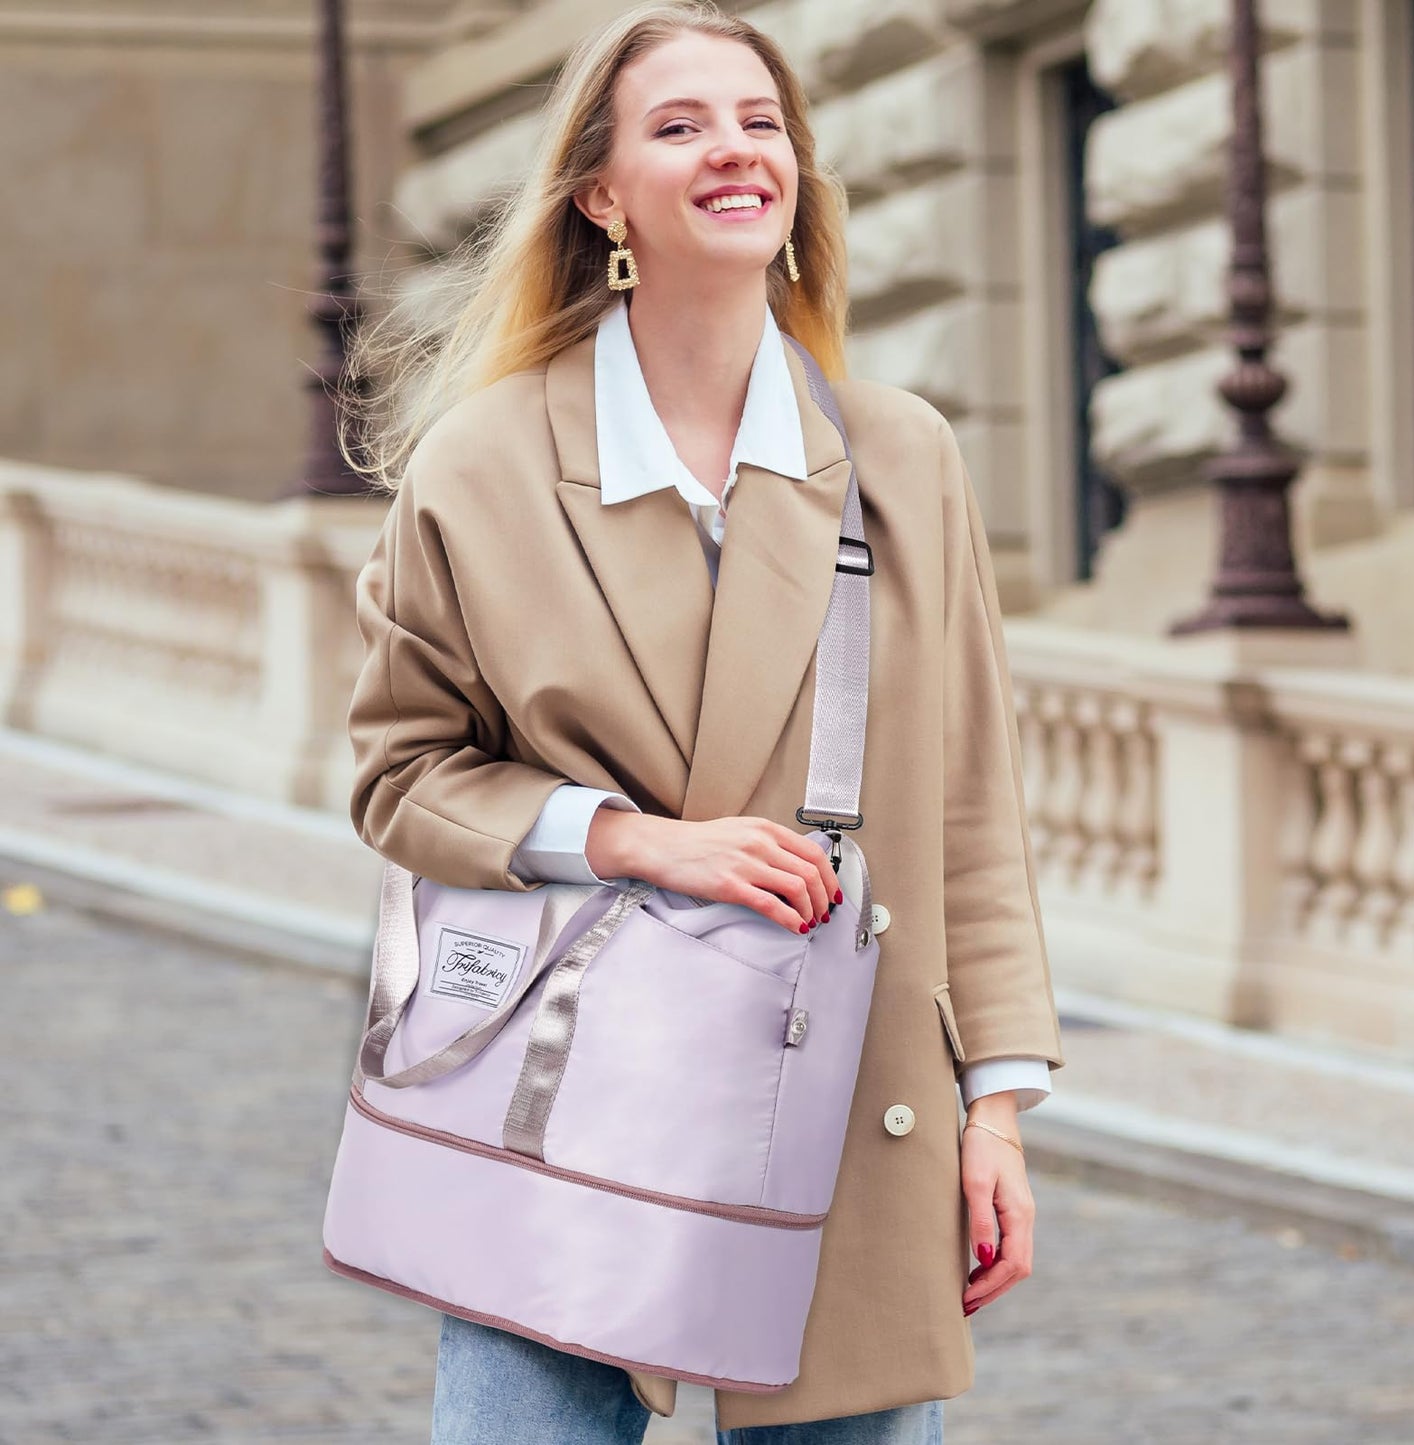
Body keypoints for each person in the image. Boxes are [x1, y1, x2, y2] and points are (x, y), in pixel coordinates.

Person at [342, 2, 1065, 1441]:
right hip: (563, 1084)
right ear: (600, 194)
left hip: (851, 1083)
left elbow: (970, 807)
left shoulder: (896, 454)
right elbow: (402, 773)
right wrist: (632, 841)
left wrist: (995, 1106)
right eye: (680, 126)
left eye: (760, 122)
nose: (736, 151)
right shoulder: (483, 464)